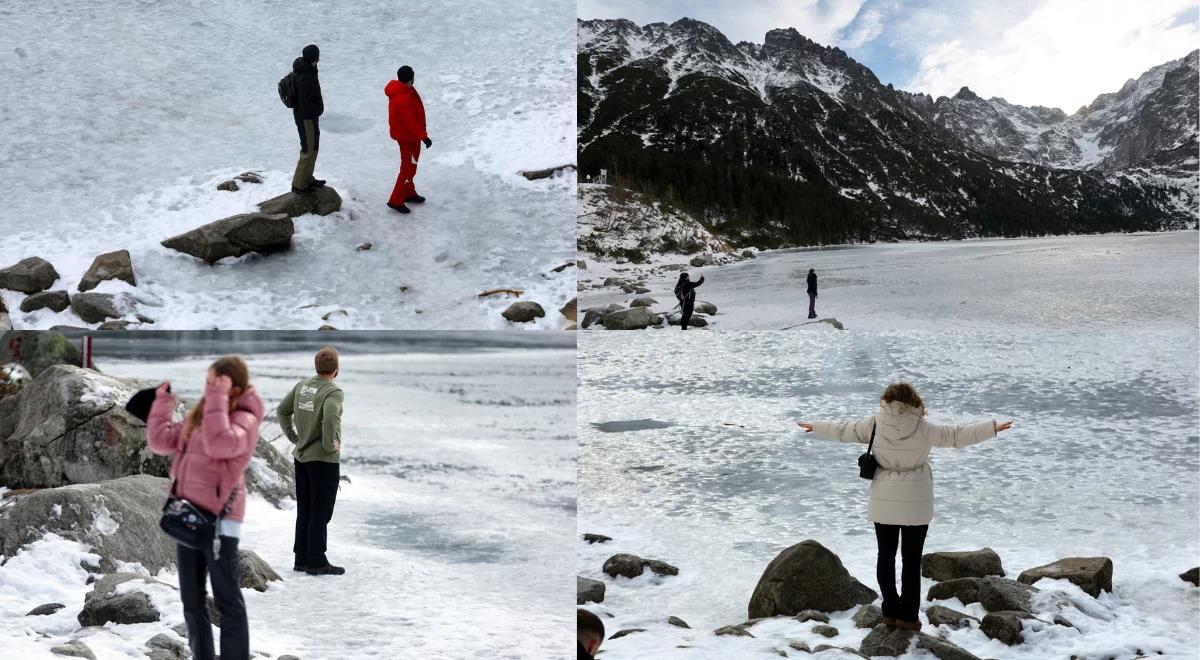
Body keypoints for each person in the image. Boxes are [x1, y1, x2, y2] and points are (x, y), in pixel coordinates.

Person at [796, 383, 1012, 631]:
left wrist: (817, 426)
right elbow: (955, 436)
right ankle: (908, 616)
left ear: (886, 401)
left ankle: (889, 610)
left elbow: (844, 430)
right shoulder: (922, 427)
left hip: (884, 497)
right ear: (913, 401)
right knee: (911, 559)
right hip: (916, 499)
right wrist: (991, 428)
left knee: (885, 556)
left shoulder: (874, 424)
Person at [147, 356, 263, 660]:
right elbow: (161, 442)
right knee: (191, 601)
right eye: (209, 382)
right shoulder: (203, 415)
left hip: (220, 522)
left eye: (216, 382)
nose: (209, 387)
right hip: (188, 515)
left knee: (228, 601)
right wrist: (162, 403)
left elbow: (220, 445)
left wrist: (216, 398)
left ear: (233, 385)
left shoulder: (245, 419)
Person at [278, 346, 345, 575]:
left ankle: (301, 558)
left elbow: (282, 411)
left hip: (302, 458)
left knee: (305, 508)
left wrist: (294, 437)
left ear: (316, 367)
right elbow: (330, 419)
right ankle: (316, 561)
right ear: (336, 369)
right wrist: (330, 445)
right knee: (321, 510)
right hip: (323, 461)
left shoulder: (302, 386)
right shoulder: (333, 392)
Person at [385, 65, 431, 214]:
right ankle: (395, 200)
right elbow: (410, 122)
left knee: (412, 165)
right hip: (408, 138)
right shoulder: (402, 97)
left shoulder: (404, 90)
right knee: (407, 167)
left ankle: (408, 192)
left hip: (411, 137)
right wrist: (424, 137)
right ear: (410, 78)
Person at [290, 44, 325, 196]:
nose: (319, 58)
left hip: (310, 117)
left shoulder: (308, 70)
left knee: (313, 147)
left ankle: (308, 178)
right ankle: (298, 185)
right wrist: (319, 109)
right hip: (306, 118)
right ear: (314, 58)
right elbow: (305, 104)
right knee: (308, 149)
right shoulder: (305, 76)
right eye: (317, 55)